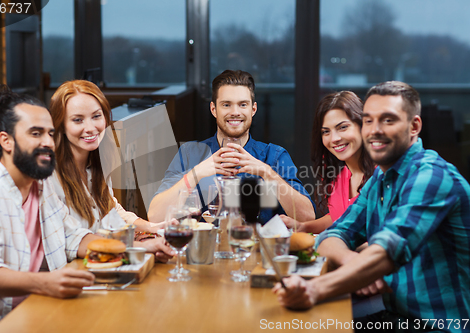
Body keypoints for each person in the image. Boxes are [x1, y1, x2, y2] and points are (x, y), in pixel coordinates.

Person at [273, 81, 470, 332]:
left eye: (388, 120)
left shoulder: (431, 176)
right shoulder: (381, 178)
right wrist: (349, 262)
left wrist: (314, 290)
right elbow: (335, 233)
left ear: (414, 126)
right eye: (368, 120)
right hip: (394, 315)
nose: (374, 130)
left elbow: (386, 252)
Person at [0, 85, 98, 332]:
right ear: (6, 141)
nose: (48, 142)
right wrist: (46, 283)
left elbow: (71, 236)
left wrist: (132, 249)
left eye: (50, 134)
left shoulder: (41, 182)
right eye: (36, 133)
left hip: (40, 312)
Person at [148, 70, 315, 223]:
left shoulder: (274, 155)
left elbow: (307, 217)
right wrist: (196, 173)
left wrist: (266, 172)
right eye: (226, 105)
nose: (235, 112)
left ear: (253, 109)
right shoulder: (189, 153)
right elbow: (155, 216)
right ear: (213, 109)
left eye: (243, 104)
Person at [49, 80, 174, 261]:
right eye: (78, 120)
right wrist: (142, 246)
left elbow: (112, 209)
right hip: (66, 274)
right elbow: (71, 238)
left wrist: (153, 228)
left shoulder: (96, 164)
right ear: (60, 125)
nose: (90, 128)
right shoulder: (49, 175)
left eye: (96, 116)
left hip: (96, 268)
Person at [281, 91, 375, 234]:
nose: (334, 138)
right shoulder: (336, 174)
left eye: (342, 127)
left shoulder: (384, 173)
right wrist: (304, 227)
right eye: (326, 132)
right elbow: (338, 216)